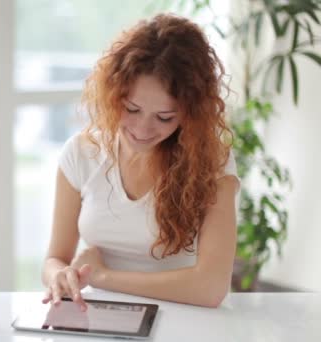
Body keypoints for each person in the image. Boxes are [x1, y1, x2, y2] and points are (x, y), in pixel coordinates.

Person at [42, 13, 240, 310]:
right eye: (132, 109)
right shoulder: (83, 153)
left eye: (164, 117)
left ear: (189, 112)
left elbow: (211, 288)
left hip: (186, 319)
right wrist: (61, 275)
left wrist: (105, 277)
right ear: (114, 96)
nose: (143, 129)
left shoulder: (212, 164)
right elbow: (54, 259)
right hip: (98, 317)